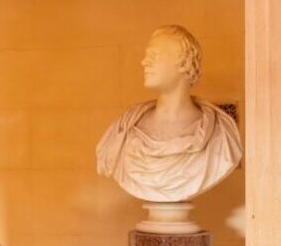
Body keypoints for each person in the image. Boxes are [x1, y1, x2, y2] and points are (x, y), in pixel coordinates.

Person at [96, 25, 242, 202]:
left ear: (184, 63)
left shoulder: (221, 133)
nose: (144, 62)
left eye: (153, 55)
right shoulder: (123, 129)